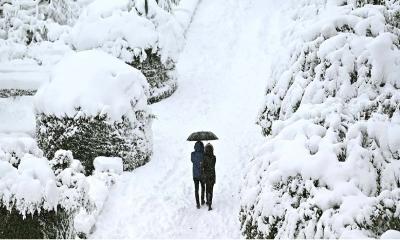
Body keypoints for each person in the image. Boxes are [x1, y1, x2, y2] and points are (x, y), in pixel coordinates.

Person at [191, 141, 205, 209]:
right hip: (202, 174)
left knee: (196, 189)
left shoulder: (192, 154)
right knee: (203, 187)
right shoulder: (203, 154)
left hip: (195, 175)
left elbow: (192, 160)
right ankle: (202, 200)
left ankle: (198, 204)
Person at [202, 143, 216, 211]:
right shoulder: (214, 157)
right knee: (211, 190)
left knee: (207, 189)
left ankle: (208, 202)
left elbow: (203, 166)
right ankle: (210, 203)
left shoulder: (204, 158)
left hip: (207, 176)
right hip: (212, 176)